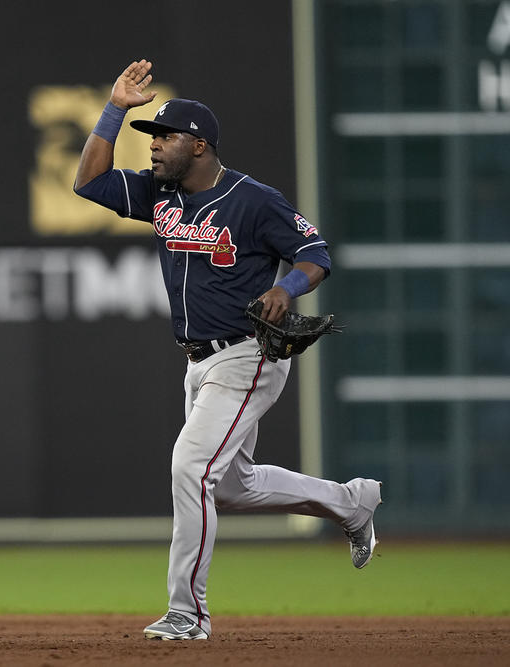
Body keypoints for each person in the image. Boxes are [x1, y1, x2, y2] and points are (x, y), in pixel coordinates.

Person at [73, 60, 381, 641]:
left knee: (190, 466)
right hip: (199, 361)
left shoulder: (253, 199)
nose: (155, 146)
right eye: (152, 137)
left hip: (250, 354)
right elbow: (88, 182)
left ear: (199, 144)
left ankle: (187, 612)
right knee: (233, 484)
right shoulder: (160, 194)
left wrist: (286, 287)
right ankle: (351, 502)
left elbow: (316, 253)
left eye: (164, 137)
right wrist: (116, 108)